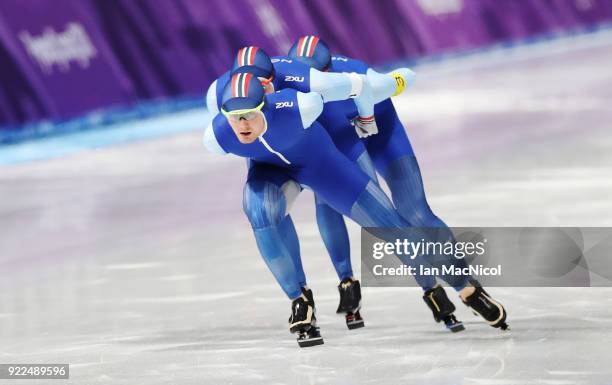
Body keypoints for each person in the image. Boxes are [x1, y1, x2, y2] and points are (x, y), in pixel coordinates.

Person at [203, 70, 506, 347]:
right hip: (272, 173)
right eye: (235, 117)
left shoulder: (302, 103)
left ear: (265, 101)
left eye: (249, 116)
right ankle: (299, 299)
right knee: (259, 212)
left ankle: (465, 286)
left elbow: (365, 86)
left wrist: (383, 97)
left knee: (394, 230)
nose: (242, 125)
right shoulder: (217, 135)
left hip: (321, 166)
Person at [287, 35, 510, 331]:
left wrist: (371, 109)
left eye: (316, 81)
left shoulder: (357, 75)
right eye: (304, 82)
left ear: (329, 75)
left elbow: (406, 77)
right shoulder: (290, 86)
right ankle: (423, 289)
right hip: (342, 139)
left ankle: (466, 284)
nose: (309, 88)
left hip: (382, 133)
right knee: (377, 218)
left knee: (415, 212)